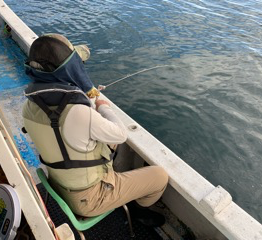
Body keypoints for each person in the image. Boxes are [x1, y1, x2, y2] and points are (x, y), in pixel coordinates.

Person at [22, 34, 168, 227]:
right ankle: (136, 211)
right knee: (159, 176)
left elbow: (65, 125)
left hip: (58, 185)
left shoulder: (28, 106)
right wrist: (102, 105)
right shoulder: (78, 113)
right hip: (90, 198)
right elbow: (120, 134)